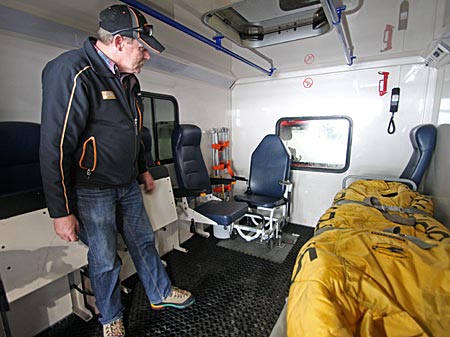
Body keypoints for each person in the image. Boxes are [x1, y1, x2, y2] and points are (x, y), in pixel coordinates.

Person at [39, 4, 194, 337]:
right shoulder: (73, 71)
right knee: (105, 258)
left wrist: (142, 170)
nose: (147, 56)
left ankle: (160, 293)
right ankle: (111, 318)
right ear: (120, 42)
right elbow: (55, 146)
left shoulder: (128, 80)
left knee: (143, 242)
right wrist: (61, 210)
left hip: (126, 184)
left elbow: (132, 131)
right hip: (91, 189)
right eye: (143, 48)